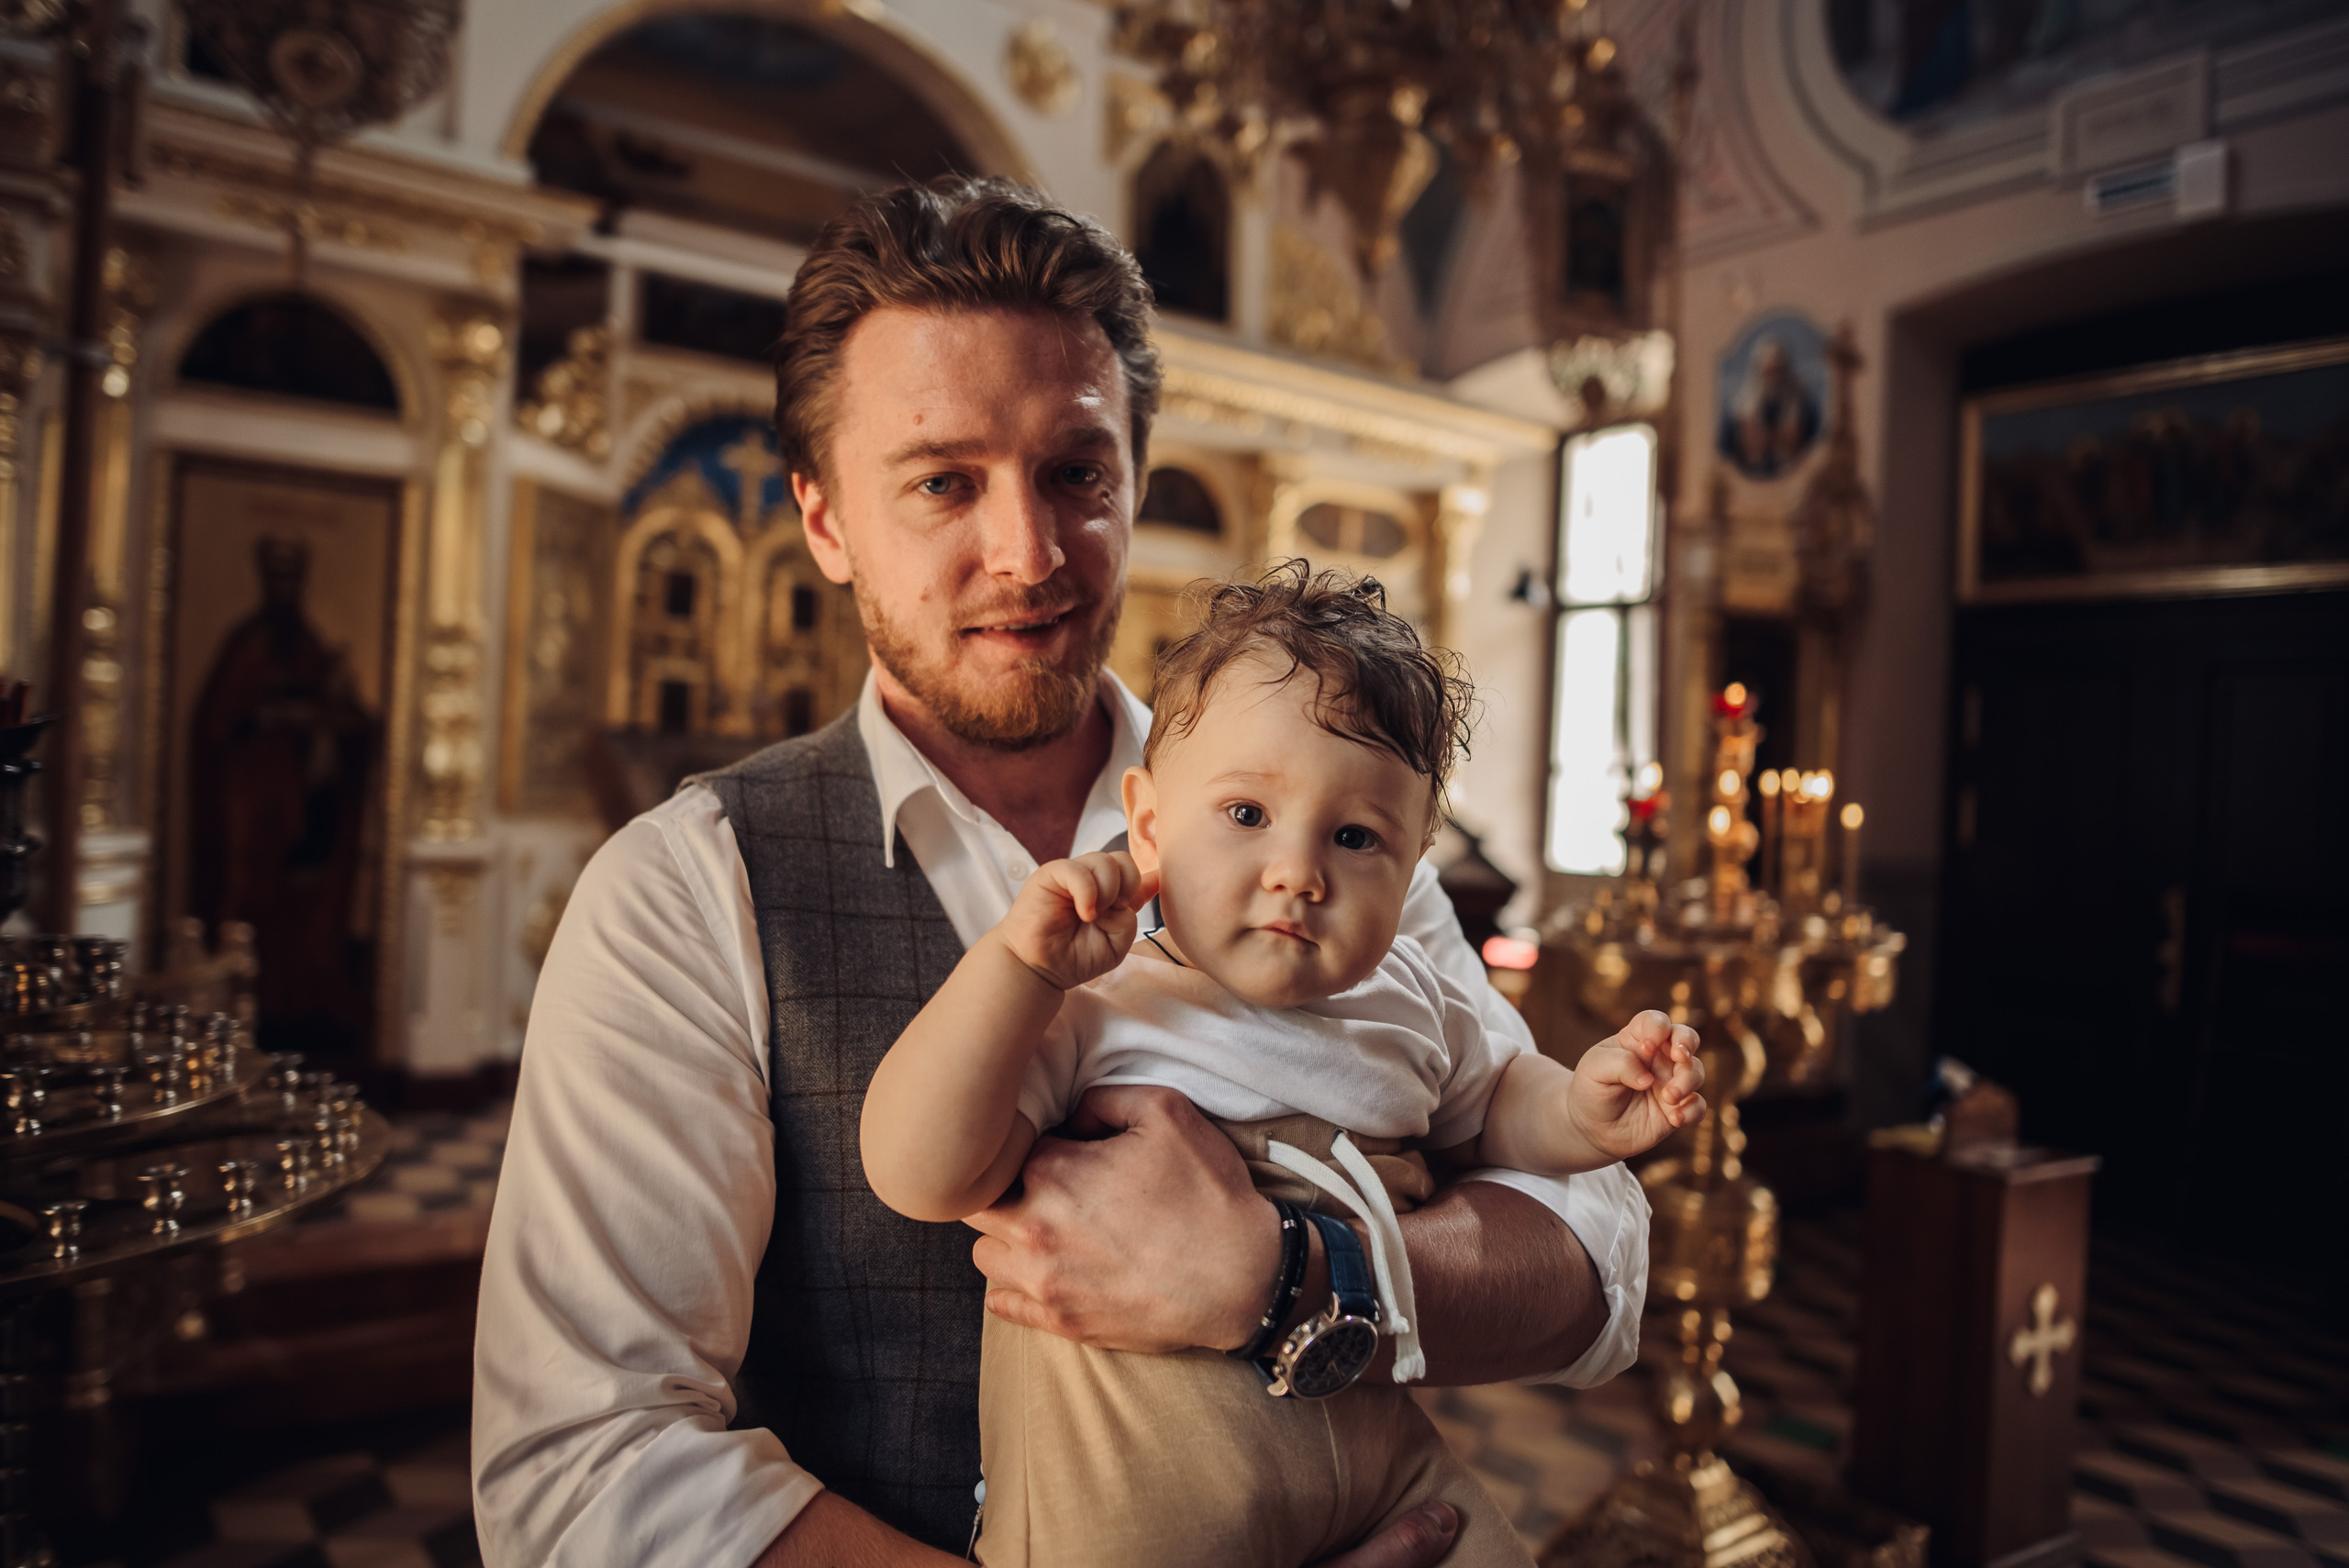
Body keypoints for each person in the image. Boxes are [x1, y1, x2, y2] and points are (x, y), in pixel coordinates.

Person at [473, 176, 1657, 1568]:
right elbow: (587, 1468)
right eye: (942, 481)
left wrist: (1296, 1280)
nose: (1029, 555)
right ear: (825, 520)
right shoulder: (682, 892)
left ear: (1135, 481)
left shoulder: (1323, 826)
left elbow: (1597, 1263)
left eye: (1076, 473)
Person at [863, 567, 1704, 1566]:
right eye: (1246, 815)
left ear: (1413, 864)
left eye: (1355, 837)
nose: (1298, 871)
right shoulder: (1100, 1001)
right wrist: (1012, 968)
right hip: (1140, 1491)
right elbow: (918, 1169)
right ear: (1148, 825)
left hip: (1373, 1463)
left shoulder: (1411, 995)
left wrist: (1579, 1107)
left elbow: (1496, 1111)